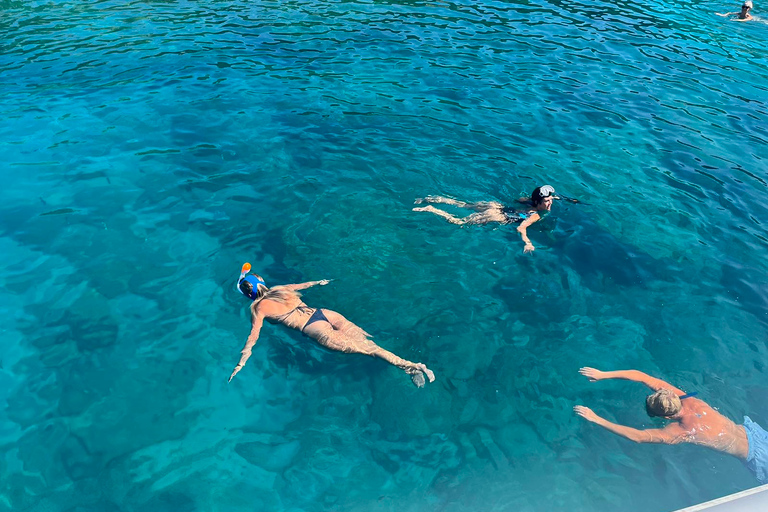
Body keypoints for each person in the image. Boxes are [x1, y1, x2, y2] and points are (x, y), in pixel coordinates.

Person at [228, 263, 436, 387]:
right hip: (324, 313)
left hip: (314, 329)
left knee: (370, 351)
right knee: (369, 342)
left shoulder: (258, 309)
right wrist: (322, 282)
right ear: (262, 282)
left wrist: (242, 361)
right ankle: (407, 365)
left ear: (249, 295)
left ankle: (412, 367)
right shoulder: (280, 288)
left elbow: (253, 336)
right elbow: (307, 284)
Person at [574, 367, 768, 484]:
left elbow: (638, 437)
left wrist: (596, 418)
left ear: (665, 417)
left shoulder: (682, 431)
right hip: (753, 432)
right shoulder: (690, 400)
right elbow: (641, 376)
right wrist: (603, 374)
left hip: (754, 457)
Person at [413, 185, 563, 253]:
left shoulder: (529, 200)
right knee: (459, 222)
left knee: (463, 204)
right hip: (498, 216)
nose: (550, 203)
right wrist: (528, 243)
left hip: (496, 206)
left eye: (551, 200)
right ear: (537, 202)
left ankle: (428, 198)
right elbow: (521, 227)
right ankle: (431, 209)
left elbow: (518, 199)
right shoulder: (536, 215)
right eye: (547, 201)